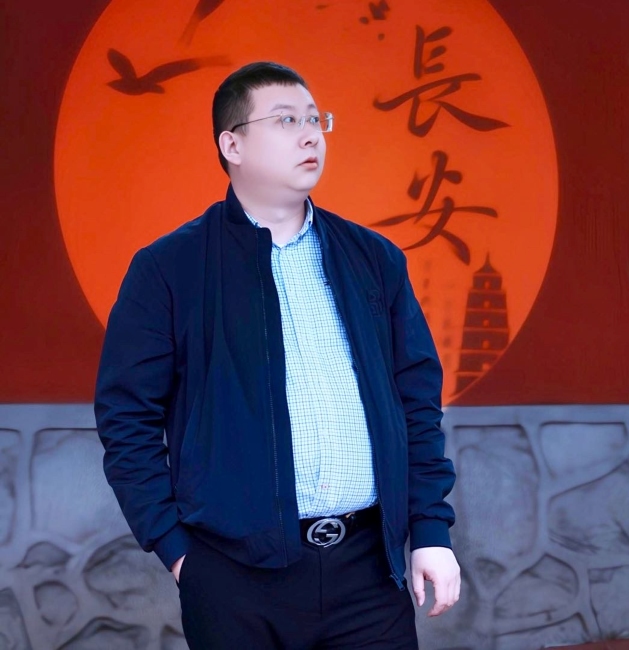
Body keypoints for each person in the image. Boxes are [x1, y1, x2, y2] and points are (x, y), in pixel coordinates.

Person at [95, 61, 460, 649]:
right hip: (233, 579)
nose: (311, 135)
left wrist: (431, 530)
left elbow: (416, 403)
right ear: (232, 145)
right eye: (287, 120)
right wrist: (180, 554)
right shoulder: (169, 269)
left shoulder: (374, 259)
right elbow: (126, 419)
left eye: (316, 120)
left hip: (369, 572)